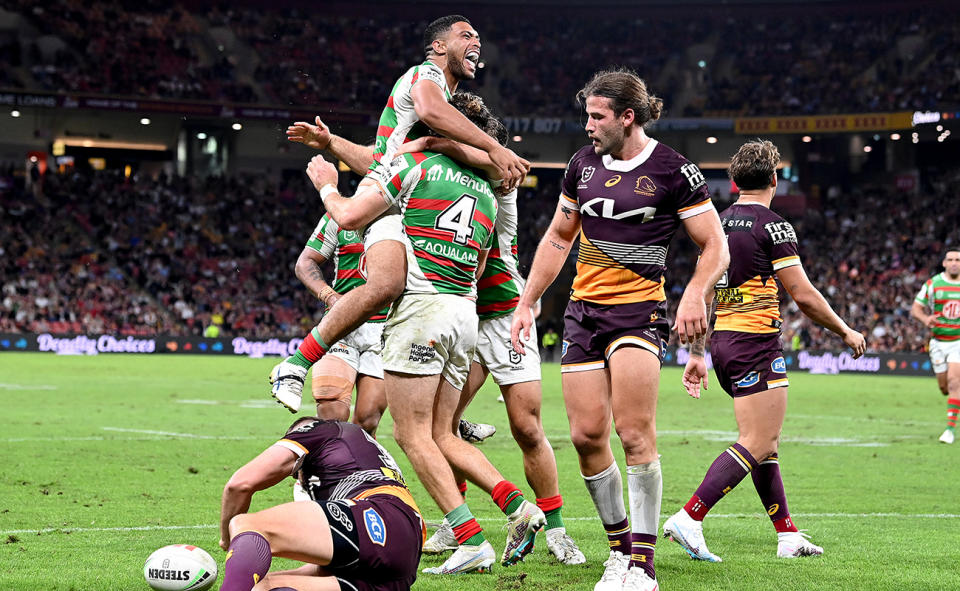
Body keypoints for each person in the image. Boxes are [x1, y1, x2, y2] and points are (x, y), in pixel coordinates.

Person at [306, 92, 546, 575]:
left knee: (410, 433)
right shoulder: (487, 184)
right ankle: (520, 509)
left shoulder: (414, 166)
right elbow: (479, 263)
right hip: (465, 311)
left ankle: (469, 537)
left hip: (421, 310)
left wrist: (327, 186)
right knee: (442, 431)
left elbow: (352, 215)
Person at [510, 68, 729, 591]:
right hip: (583, 313)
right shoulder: (580, 166)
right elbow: (560, 238)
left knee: (633, 433)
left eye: (596, 116)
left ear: (627, 117)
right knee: (587, 436)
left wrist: (695, 292)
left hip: (639, 313)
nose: (587, 125)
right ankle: (618, 550)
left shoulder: (676, 170)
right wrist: (528, 299)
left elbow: (715, 244)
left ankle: (643, 566)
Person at [271, 15, 529, 411]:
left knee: (430, 293)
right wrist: (494, 149)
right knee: (387, 285)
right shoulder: (426, 76)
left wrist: (331, 141)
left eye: (479, 36)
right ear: (440, 47)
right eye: (466, 35)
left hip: (406, 191)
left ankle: (449, 420)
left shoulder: (426, 120)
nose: (476, 40)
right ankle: (296, 363)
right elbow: (427, 116)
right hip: (391, 194)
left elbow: (378, 157)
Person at [662, 139, 866, 563]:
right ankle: (689, 517)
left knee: (764, 445)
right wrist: (845, 331)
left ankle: (787, 535)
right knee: (758, 440)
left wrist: (698, 353)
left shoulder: (715, 224)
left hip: (723, 343)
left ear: (734, 182)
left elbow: (707, 293)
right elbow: (804, 295)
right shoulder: (773, 225)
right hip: (755, 342)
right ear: (774, 178)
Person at [402, 135, 583, 565]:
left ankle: (555, 530)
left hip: (504, 316)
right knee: (440, 427)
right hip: (460, 315)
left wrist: (434, 138)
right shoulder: (433, 179)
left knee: (526, 427)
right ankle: (456, 520)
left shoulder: (496, 179)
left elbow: (500, 165)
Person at [218, 417, 425, 591]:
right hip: (399, 568)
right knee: (262, 587)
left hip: (381, 516)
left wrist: (229, 541)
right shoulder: (362, 457)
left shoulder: (322, 429)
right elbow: (325, 569)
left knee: (247, 525)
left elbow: (239, 485)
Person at [295, 213, 389, 435]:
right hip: (340, 326)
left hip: (385, 330)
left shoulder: (407, 212)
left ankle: (359, 469)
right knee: (331, 415)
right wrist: (329, 296)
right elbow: (305, 262)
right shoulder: (340, 216)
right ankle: (319, 468)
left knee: (368, 420)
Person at [911, 249, 960, 444]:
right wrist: (925, 318)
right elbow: (916, 308)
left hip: (958, 341)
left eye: (958, 259)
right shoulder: (933, 284)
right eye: (951, 260)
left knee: (955, 382)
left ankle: (949, 430)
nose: (955, 263)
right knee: (945, 388)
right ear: (944, 263)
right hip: (938, 343)